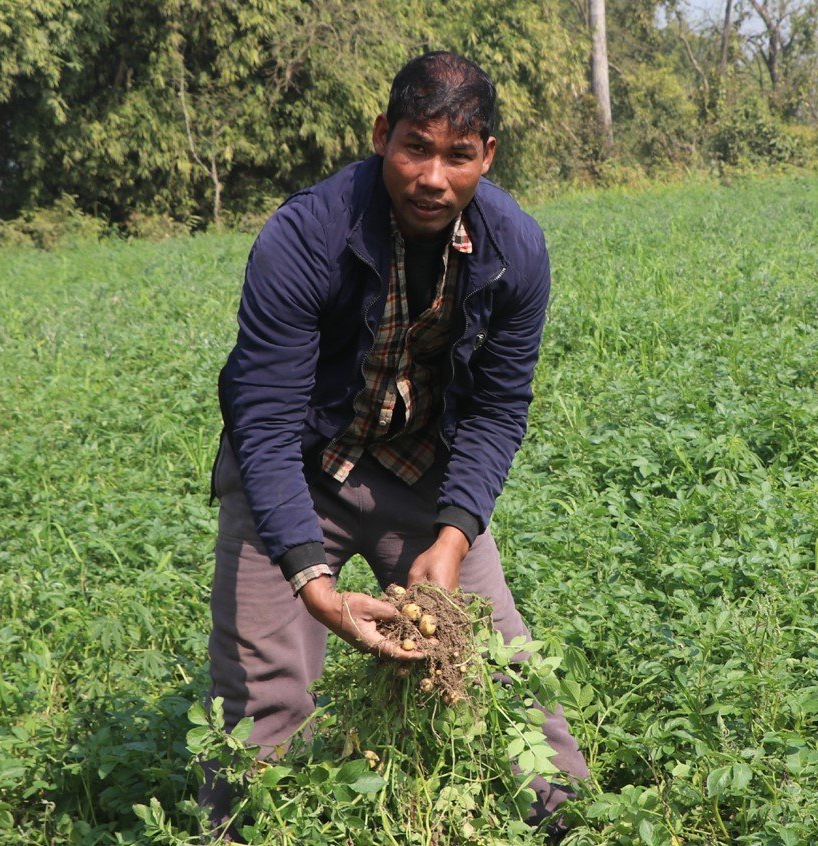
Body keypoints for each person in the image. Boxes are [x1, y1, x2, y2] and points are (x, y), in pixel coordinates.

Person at [202, 51, 588, 837]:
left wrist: (452, 538)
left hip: (419, 470)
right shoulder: (306, 235)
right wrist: (313, 583)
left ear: (487, 156)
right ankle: (244, 829)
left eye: (457, 155)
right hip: (301, 466)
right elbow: (264, 419)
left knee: (505, 675)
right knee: (265, 697)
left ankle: (574, 826)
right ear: (382, 136)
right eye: (416, 146)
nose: (433, 177)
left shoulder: (517, 251)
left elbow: (497, 409)